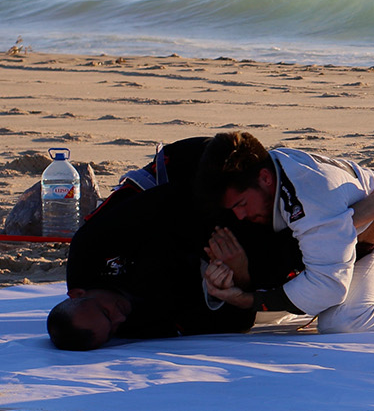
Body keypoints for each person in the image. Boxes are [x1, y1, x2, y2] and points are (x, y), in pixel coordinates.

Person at [195, 132, 374, 333]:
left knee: (343, 320)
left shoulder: (310, 198)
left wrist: (246, 298)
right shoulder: (268, 171)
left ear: (265, 179)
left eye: (242, 204)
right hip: (343, 235)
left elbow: (328, 287)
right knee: (279, 304)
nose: (240, 216)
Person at [48, 137, 302, 350]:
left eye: (106, 312)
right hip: (214, 259)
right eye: (113, 328)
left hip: (192, 186)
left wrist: (214, 245)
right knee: (277, 272)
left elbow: (172, 201)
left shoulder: (91, 248)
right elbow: (227, 323)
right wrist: (239, 276)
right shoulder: (136, 325)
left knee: (240, 194)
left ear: (78, 294)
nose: (120, 317)